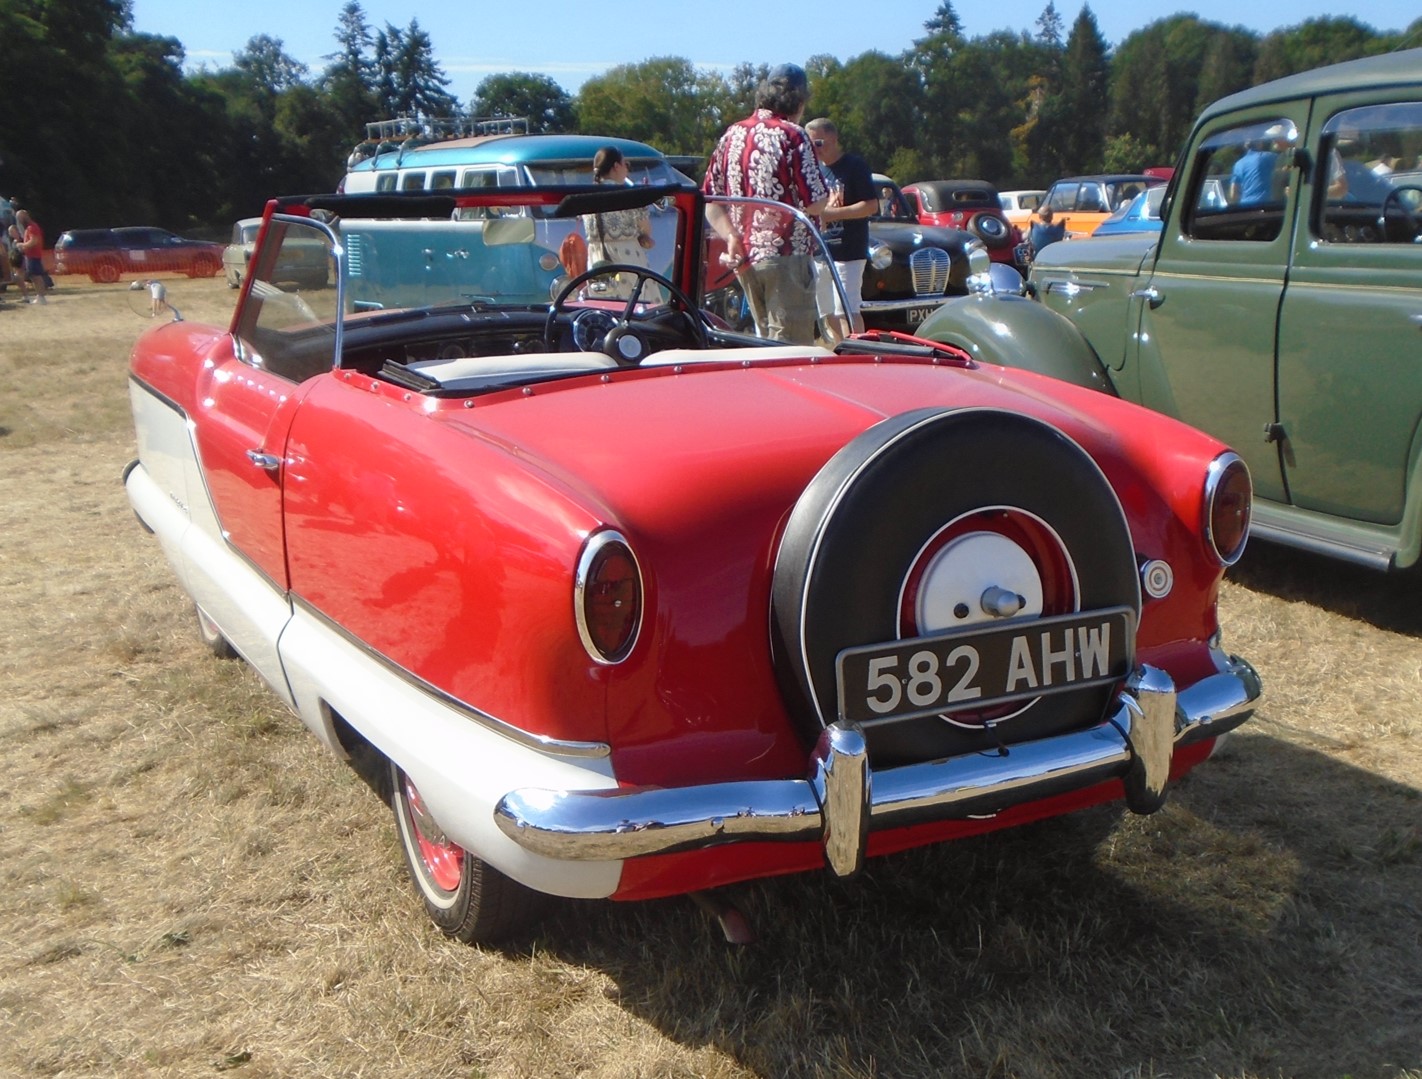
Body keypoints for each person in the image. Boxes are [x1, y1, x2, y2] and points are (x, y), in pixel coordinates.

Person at [702, 62, 829, 344]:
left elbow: (711, 200)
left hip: (745, 259)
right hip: (786, 255)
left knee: (765, 343)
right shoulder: (793, 136)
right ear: (799, 99)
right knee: (791, 347)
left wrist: (732, 236)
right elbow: (817, 202)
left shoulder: (731, 135)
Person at [804, 117, 877, 343]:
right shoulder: (815, 171)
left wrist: (832, 214)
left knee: (846, 308)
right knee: (826, 311)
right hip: (821, 251)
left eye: (818, 143)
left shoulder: (854, 166)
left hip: (848, 250)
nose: (815, 150)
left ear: (833, 138)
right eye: (809, 144)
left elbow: (871, 205)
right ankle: (841, 349)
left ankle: (858, 353)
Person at [580, 146, 655, 300]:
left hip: (597, 259)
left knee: (605, 305)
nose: (627, 169)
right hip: (627, 257)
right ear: (616, 166)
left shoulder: (585, 195)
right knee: (635, 306)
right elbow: (646, 230)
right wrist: (644, 237)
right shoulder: (630, 195)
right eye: (625, 164)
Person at [1229, 125, 1285, 205]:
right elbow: (1285, 165)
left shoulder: (1238, 164)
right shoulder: (1269, 157)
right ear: (1260, 144)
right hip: (1266, 205)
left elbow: (1233, 194)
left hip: (1245, 207)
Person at [15, 210, 46, 304]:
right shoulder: (29, 228)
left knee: (36, 276)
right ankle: (39, 296)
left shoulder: (32, 227)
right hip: (30, 255)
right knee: (33, 276)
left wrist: (22, 245)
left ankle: (41, 297)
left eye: (20, 217)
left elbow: (34, 241)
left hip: (34, 255)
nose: (19, 220)